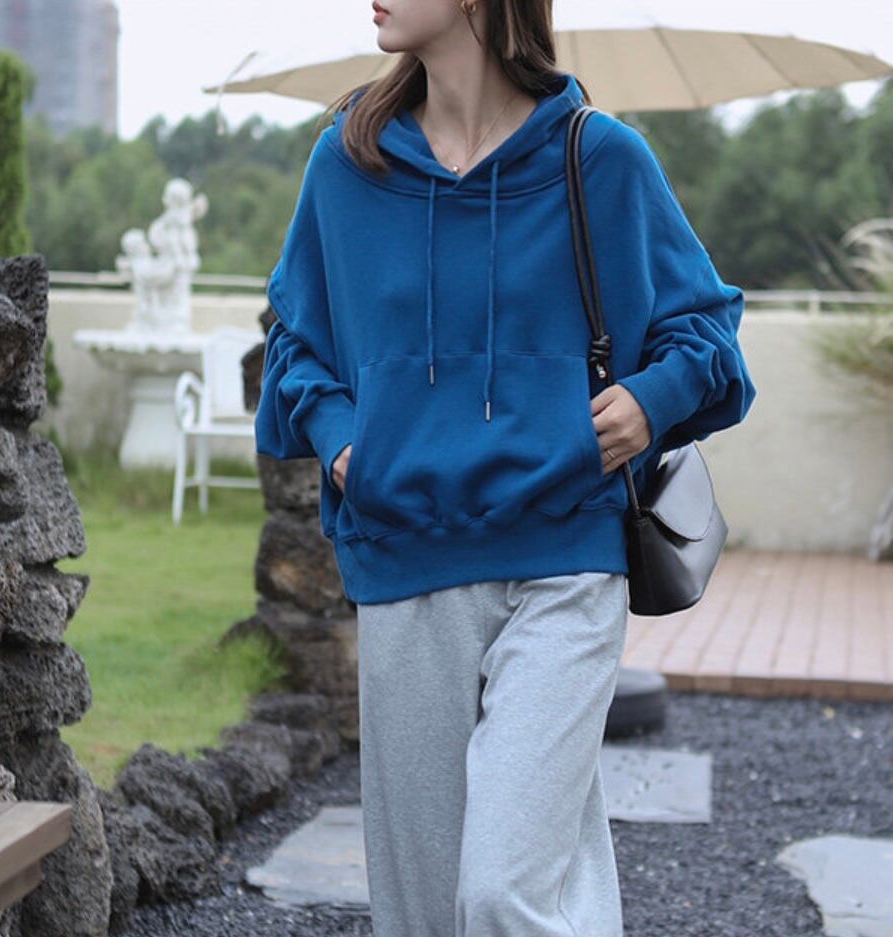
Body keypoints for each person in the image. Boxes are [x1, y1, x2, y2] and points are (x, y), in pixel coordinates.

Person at [255, 1, 757, 934]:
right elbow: (295, 341)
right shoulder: (349, 163)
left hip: (565, 558)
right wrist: (343, 442)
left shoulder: (597, 157)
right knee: (423, 910)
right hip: (405, 554)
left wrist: (648, 400)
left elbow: (707, 330)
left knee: (500, 890)